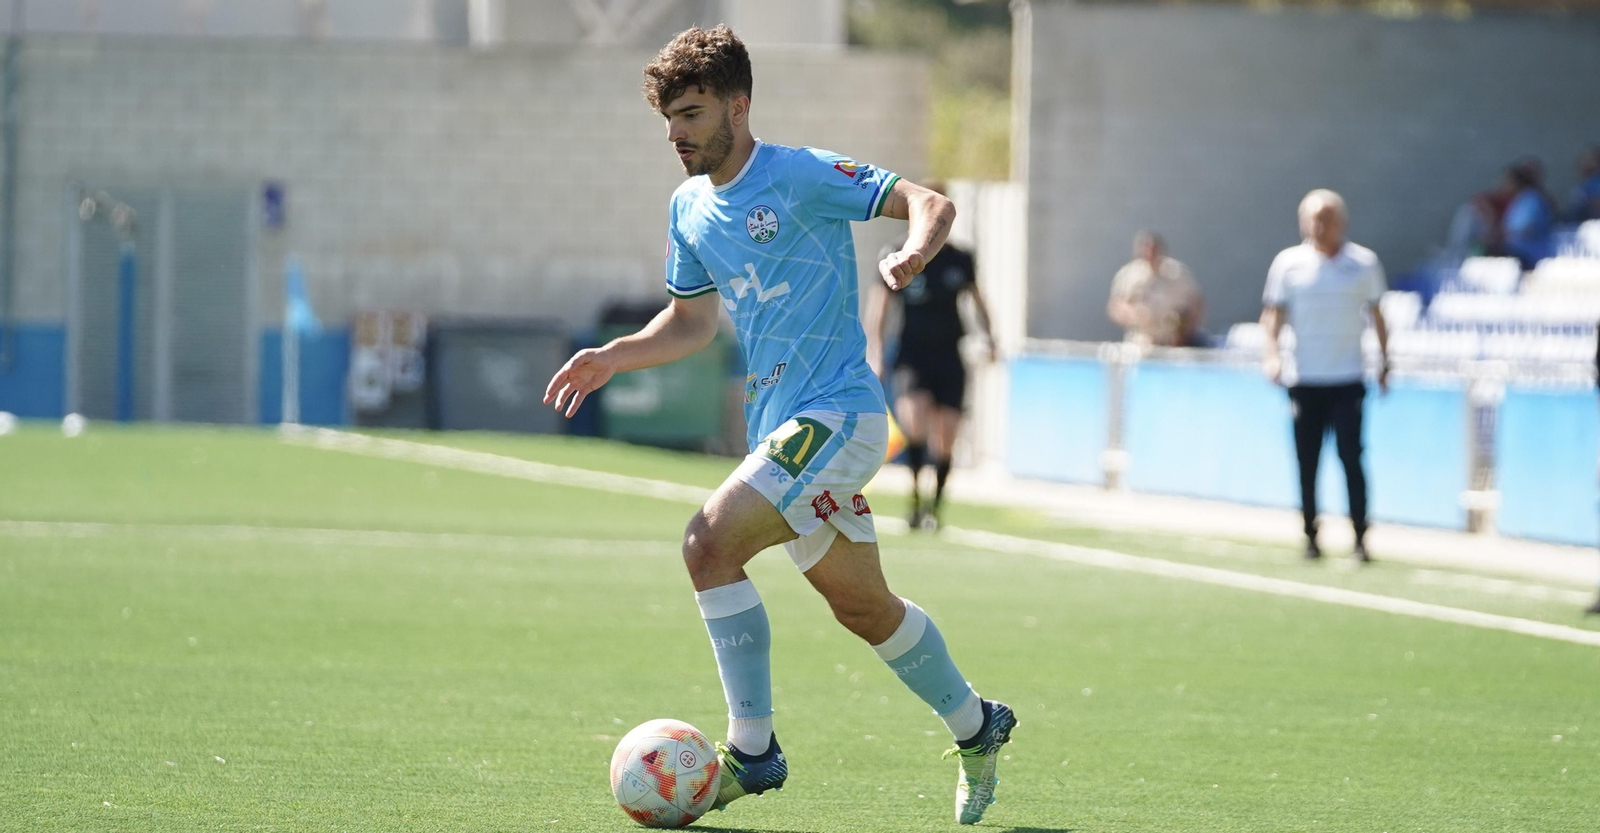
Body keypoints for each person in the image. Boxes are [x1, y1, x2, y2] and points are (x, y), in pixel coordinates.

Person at [542, 26, 1016, 825]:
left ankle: (752, 749)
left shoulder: (798, 174)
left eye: (691, 114)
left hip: (838, 412)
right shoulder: (689, 208)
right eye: (668, 119)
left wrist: (912, 252)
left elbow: (932, 203)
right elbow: (691, 323)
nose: (676, 134)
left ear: (738, 105)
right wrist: (612, 357)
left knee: (708, 543)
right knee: (863, 607)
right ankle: (979, 724)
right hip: (782, 430)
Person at [1261, 189, 1391, 564]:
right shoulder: (1288, 264)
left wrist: (1385, 361)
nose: (1319, 226)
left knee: (1351, 457)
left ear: (1341, 222)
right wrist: (1272, 355)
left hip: (1348, 377)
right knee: (1308, 461)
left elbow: (1378, 315)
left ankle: (1360, 536)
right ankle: (1310, 535)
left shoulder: (1363, 263)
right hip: (1305, 378)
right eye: (1313, 219)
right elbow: (1272, 315)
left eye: (1326, 219)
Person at [867, 190, 997, 531]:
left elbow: (978, 299)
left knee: (947, 434)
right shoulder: (896, 254)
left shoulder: (960, 258)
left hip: (949, 353)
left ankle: (935, 508)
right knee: (914, 423)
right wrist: (876, 354)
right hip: (912, 355)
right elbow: (879, 308)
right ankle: (913, 497)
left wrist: (990, 337)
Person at [1106, 231, 1205, 348]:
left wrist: (1184, 328)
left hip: (1171, 340)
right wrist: (1135, 315)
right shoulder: (1130, 274)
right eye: (1145, 249)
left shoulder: (1176, 273)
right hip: (1141, 340)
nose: (1150, 253)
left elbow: (1196, 302)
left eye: (1153, 249)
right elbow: (1116, 306)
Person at [1564, 145, 1600, 224]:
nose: (1587, 163)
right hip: (1579, 223)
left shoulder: (1597, 180)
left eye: (1591, 160)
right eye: (1585, 160)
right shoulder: (1583, 183)